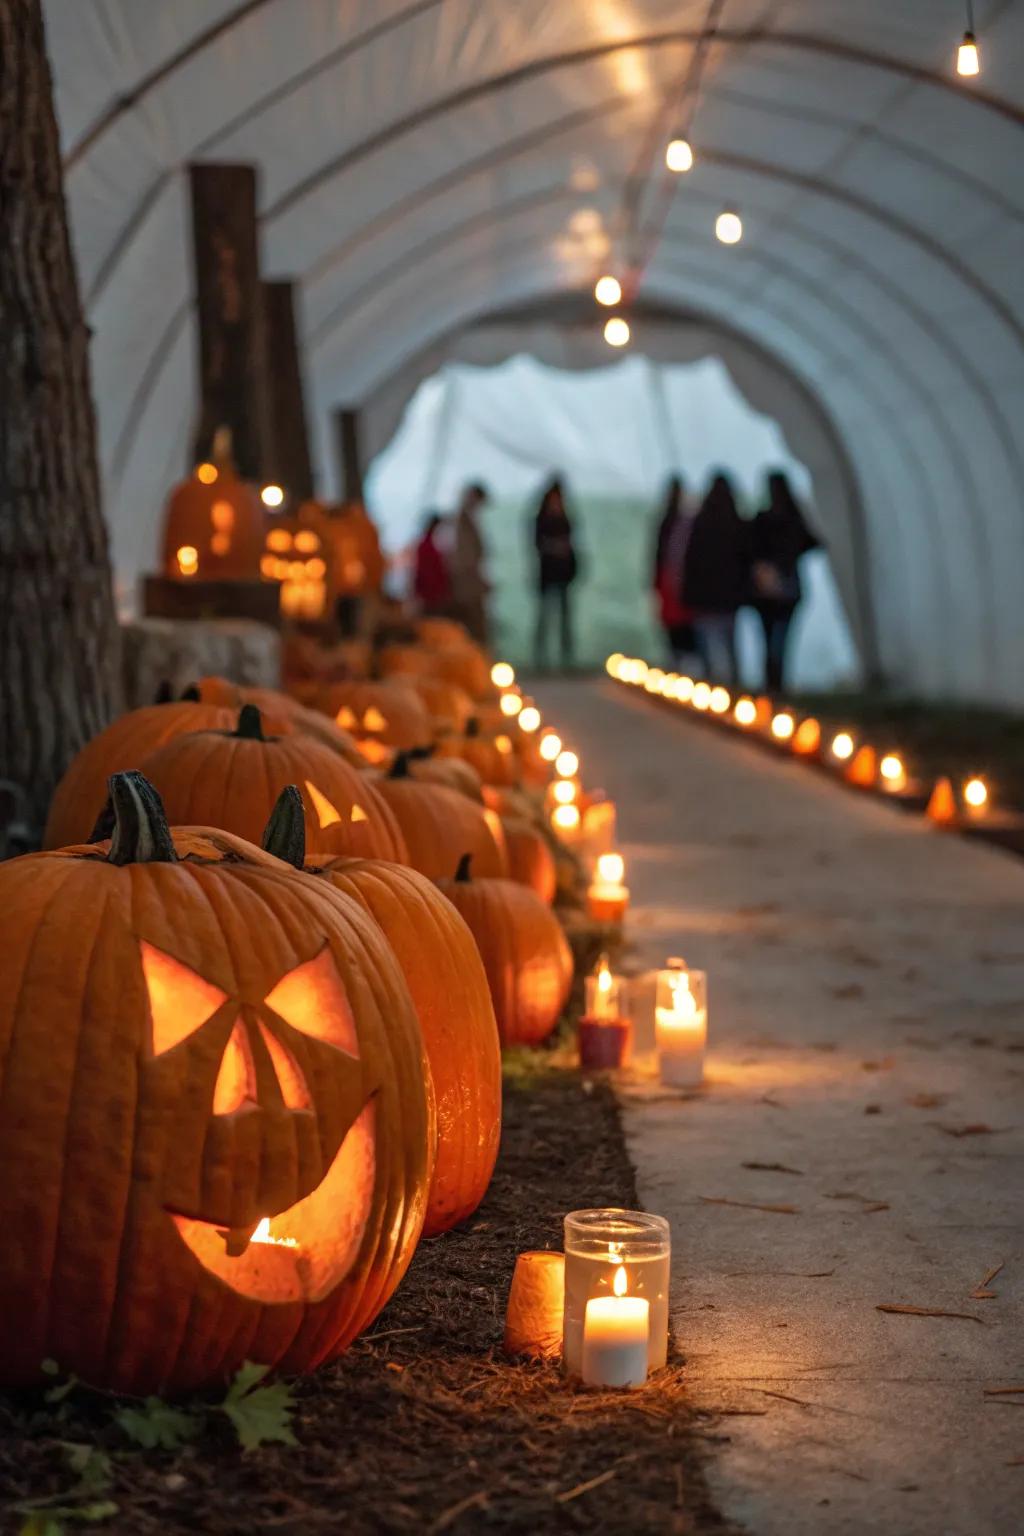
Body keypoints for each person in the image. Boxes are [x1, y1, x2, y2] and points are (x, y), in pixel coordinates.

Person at [751, 470, 820, 691]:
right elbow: (813, 542)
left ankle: (772, 684)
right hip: (787, 591)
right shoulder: (794, 519)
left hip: (767, 592)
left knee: (770, 639)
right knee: (780, 640)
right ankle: (777, 684)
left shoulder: (764, 520)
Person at [683, 472, 750, 685]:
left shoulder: (700, 524)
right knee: (729, 645)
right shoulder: (736, 524)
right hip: (728, 597)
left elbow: (690, 561)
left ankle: (710, 683)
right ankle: (733, 686)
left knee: (708, 645)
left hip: (705, 597)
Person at [652, 474, 698, 670]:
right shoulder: (673, 523)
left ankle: (683, 664)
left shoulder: (682, 523)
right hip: (671, 582)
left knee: (681, 627)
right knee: (674, 626)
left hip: (678, 584)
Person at [533, 475, 578, 670]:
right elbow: (537, 544)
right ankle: (541, 657)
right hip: (548, 573)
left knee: (564, 618)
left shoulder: (565, 518)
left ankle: (566, 657)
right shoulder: (542, 519)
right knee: (545, 615)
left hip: (563, 575)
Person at [450, 482, 489, 643]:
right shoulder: (463, 521)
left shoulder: (466, 519)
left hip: (470, 581)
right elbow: (466, 557)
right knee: (473, 625)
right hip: (467, 583)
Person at [412, 512, 451, 615]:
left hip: (433, 593)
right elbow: (425, 571)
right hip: (430, 593)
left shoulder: (429, 544)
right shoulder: (426, 546)